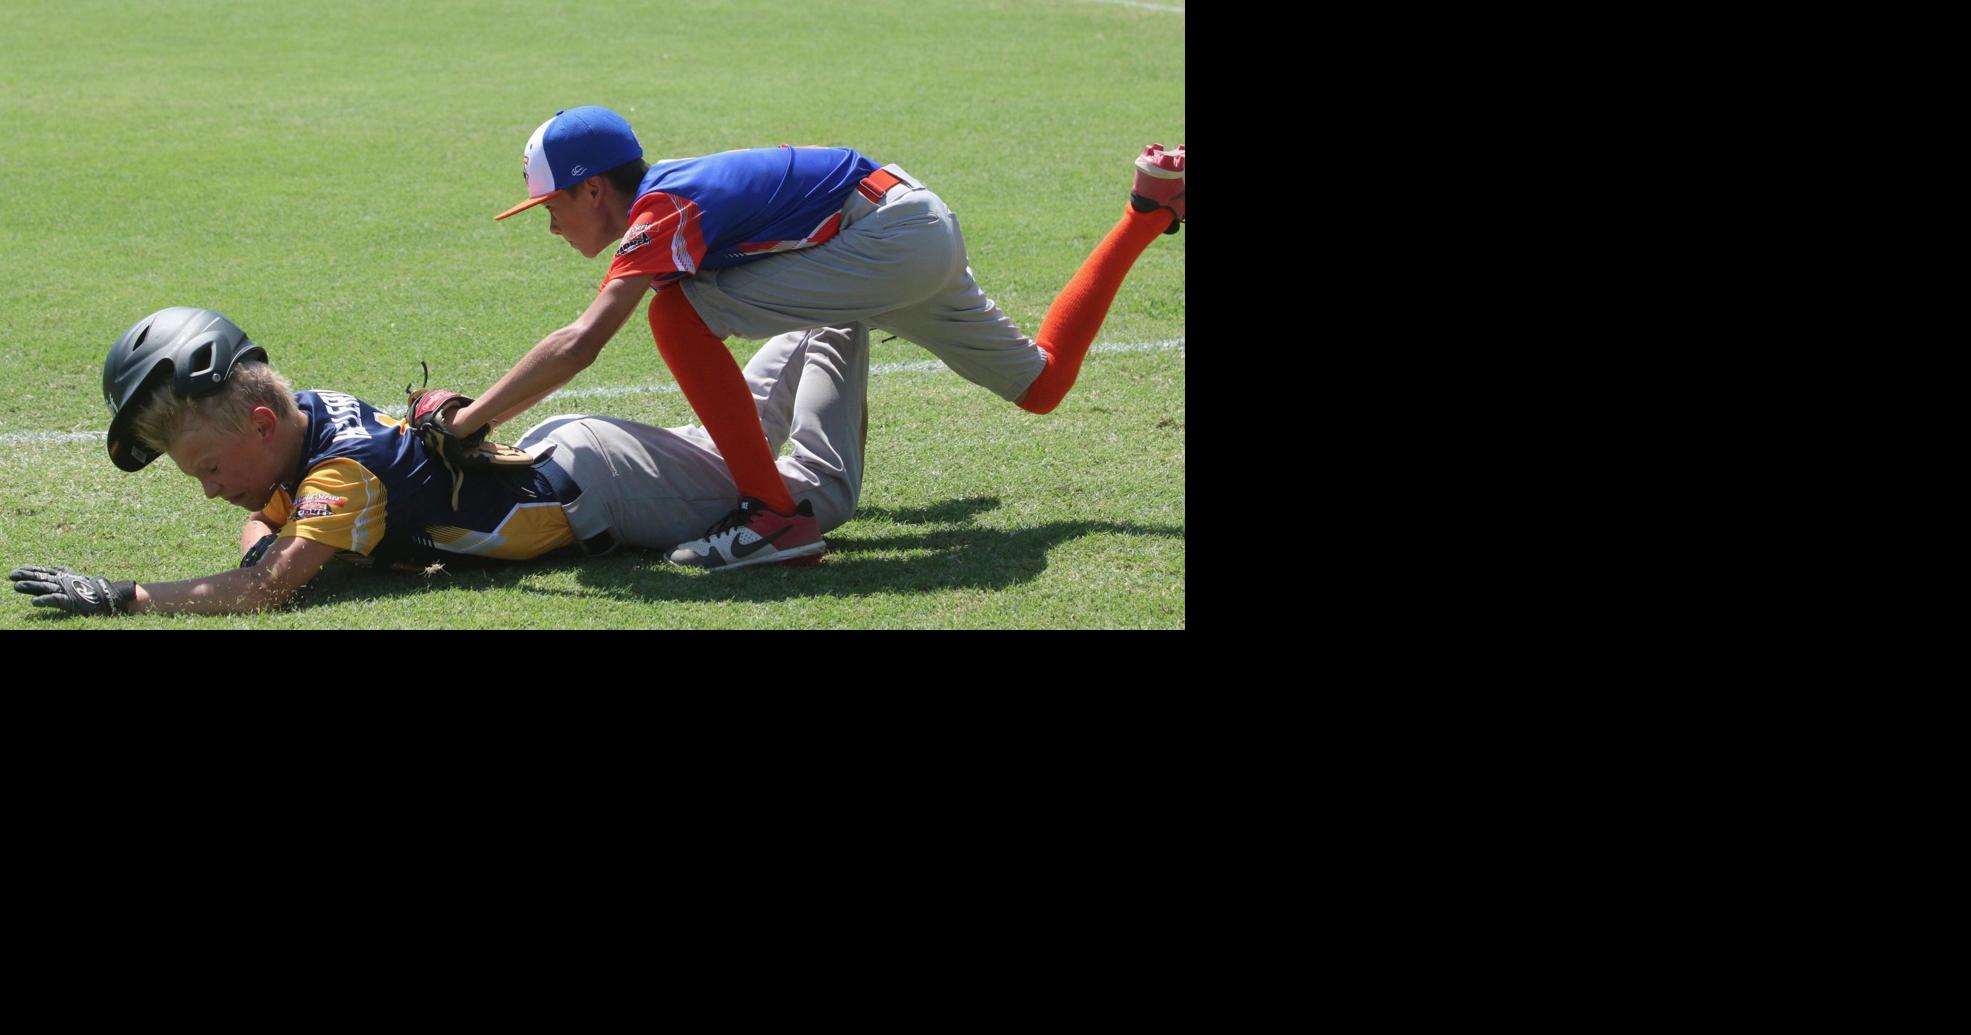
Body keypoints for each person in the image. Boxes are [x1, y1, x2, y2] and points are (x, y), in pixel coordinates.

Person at [434, 105, 1183, 570]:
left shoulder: (659, 209)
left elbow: (583, 341)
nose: (549, 222)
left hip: (885, 240)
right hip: (908, 224)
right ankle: (1145, 213)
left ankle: (774, 519)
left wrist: (467, 422)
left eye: (549, 205)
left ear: (593, 188)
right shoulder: (666, 195)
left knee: (678, 310)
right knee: (1042, 384)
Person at [9, 306, 872, 617]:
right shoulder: (306, 436)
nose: (209, 488)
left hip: (605, 487)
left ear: (261, 421)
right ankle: (814, 313)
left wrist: (124, 596)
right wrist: (262, 537)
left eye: (204, 465)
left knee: (814, 496)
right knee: (740, 434)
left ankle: (839, 306)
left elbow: (268, 589)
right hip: (581, 460)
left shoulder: (340, 473)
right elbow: (269, 528)